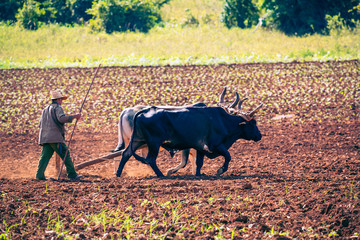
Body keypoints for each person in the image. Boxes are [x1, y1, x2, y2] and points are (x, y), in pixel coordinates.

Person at [36, 89, 83, 180]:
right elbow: (61, 119)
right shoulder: (57, 108)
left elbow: (40, 124)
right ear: (58, 99)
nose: (61, 101)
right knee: (65, 154)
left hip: (45, 138)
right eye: (61, 99)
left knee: (44, 157)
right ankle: (72, 175)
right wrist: (74, 117)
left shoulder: (45, 109)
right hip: (55, 138)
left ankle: (39, 175)